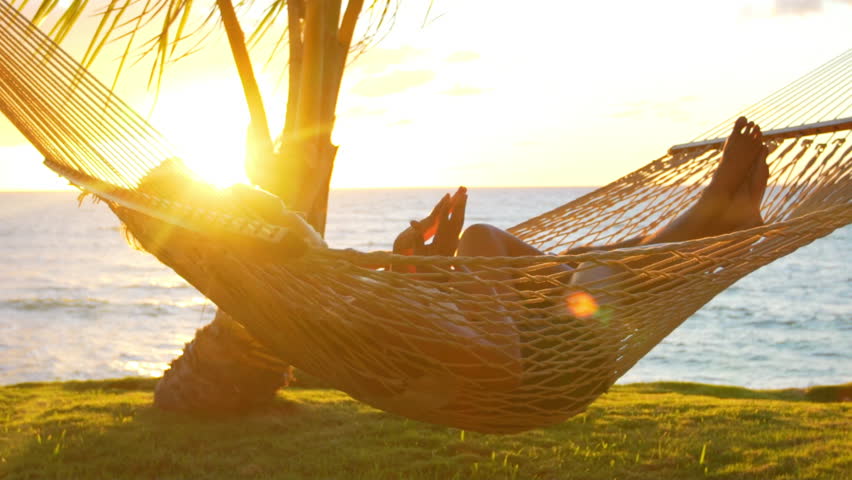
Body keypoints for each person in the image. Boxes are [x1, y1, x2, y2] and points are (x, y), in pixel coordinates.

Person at [383, 116, 769, 398]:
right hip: (555, 364)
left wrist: (437, 266)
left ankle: (720, 228)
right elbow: (497, 363)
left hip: (540, 333)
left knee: (569, 255)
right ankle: (715, 213)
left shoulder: (348, 297)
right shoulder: (343, 310)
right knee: (596, 267)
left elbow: (433, 315)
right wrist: (425, 273)